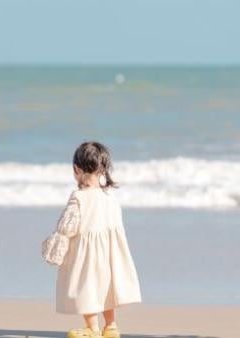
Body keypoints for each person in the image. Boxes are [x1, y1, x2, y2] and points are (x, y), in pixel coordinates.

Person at [42, 141, 141, 338]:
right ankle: (111, 326)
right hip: (110, 253)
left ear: (75, 169)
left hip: (87, 255)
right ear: (103, 169)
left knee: (88, 287)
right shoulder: (110, 197)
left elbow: (67, 227)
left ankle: (92, 328)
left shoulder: (79, 197)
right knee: (107, 289)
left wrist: (54, 246)